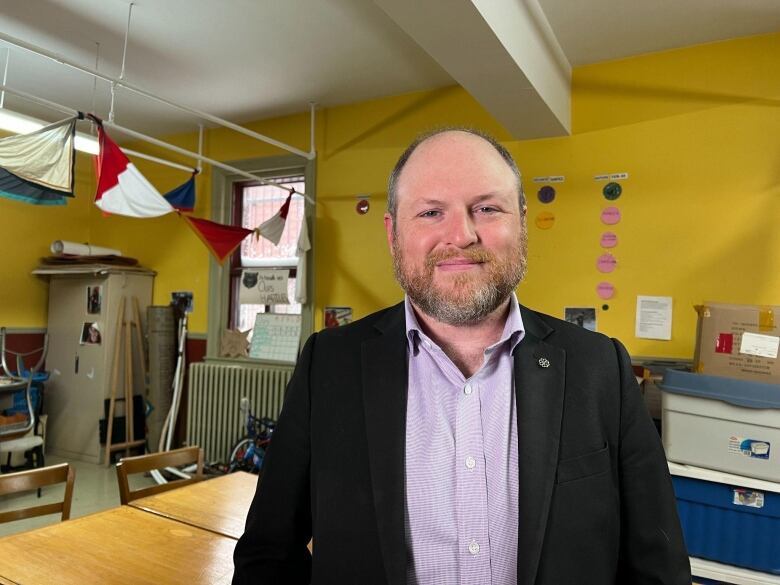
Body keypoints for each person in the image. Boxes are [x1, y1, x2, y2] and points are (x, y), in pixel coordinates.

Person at [233, 128, 691, 585]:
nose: (462, 235)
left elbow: (658, 568)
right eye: (431, 212)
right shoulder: (328, 366)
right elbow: (269, 555)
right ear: (393, 233)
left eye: (487, 208)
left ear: (522, 222)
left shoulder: (600, 368)